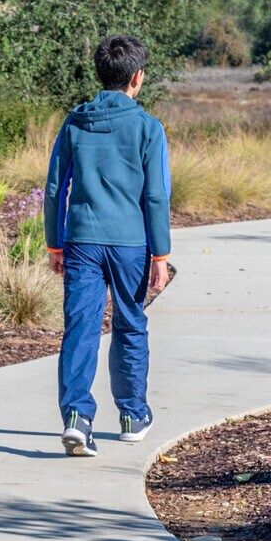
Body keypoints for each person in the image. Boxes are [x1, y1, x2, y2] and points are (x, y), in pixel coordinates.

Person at [45, 34, 175, 457]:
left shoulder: (74, 122)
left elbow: (53, 189)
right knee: (130, 323)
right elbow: (156, 196)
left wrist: (54, 244)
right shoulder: (147, 127)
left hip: (81, 239)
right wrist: (161, 255)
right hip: (131, 244)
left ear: (100, 73)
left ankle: (77, 419)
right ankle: (132, 415)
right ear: (137, 77)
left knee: (80, 327)